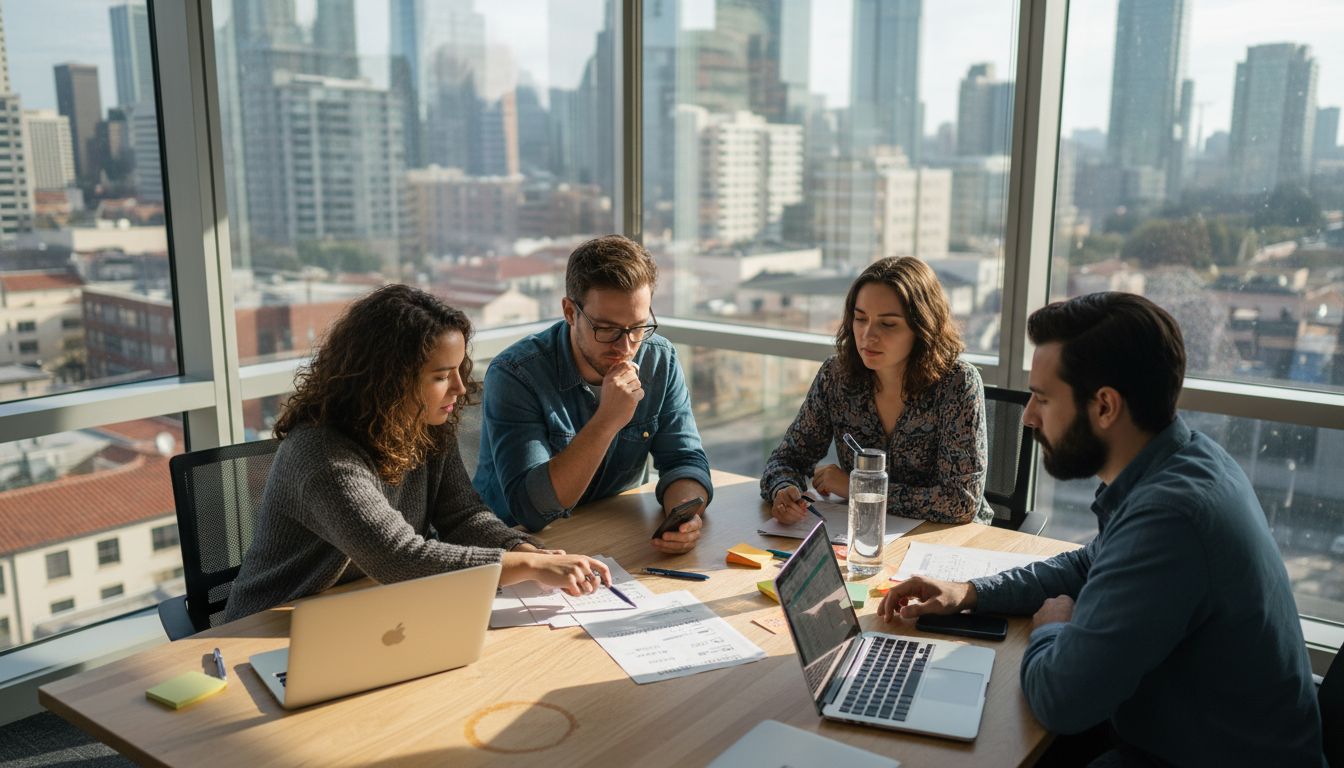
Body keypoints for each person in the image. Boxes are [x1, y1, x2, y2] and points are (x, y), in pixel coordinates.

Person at [878, 293, 1324, 766]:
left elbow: (1060, 701)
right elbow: (1088, 564)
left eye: (1044, 398)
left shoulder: (1170, 516)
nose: (1028, 416)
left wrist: (1053, 628)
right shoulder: (1184, 461)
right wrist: (968, 593)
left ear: (1105, 407)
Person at [226, 285, 611, 622]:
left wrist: (523, 549)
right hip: (269, 626)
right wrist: (528, 565)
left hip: (367, 611)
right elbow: (400, 557)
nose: (460, 388)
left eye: (459, 369)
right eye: (442, 376)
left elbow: (463, 517)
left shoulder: (423, 426)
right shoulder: (322, 456)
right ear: (388, 381)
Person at [473, 235, 712, 552]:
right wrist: (608, 420)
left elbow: (685, 460)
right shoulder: (516, 374)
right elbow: (531, 510)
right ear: (570, 312)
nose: (626, 347)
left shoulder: (659, 359)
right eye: (607, 329)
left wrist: (683, 515)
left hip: (611, 535)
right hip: (517, 549)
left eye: (638, 327)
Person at [761, 256, 993, 524]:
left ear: (922, 327)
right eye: (860, 319)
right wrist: (784, 490)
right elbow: (786, 459)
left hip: (944, 542)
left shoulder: (958, 384)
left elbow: (960, 501)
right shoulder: (836, 376)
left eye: (888, 324)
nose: (867, 335)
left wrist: (857, 488)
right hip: (859, 532)